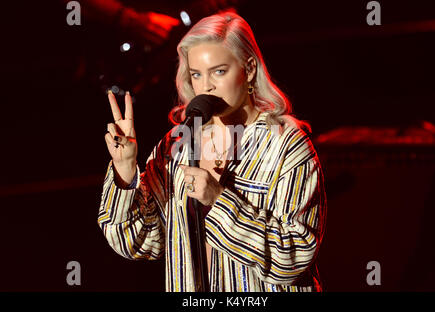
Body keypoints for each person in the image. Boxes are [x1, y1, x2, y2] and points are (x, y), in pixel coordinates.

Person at [99, 11, 327, 292]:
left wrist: (219, 200)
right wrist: (125, 171)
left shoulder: (285, 145)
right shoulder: (177, 145)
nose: (205, 85)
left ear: (250, 68)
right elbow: (136, 242)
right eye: (196, 74)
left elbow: (294, 257)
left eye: (219, 71)